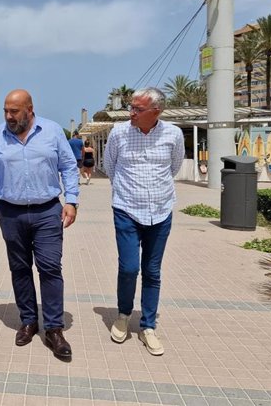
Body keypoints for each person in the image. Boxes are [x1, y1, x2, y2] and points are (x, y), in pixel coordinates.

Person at [0, 89, 79, 359]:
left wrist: (72, 201)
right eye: (6, 111)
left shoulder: (53, 131)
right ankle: (29, 321)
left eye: (14, 111)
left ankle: (54, 328)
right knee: (19, 268)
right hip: (10, 212)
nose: (9, 116)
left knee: (50, 267)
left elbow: (68, 167)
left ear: (30, 109)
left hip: (47, 211)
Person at [103, 87, 184, 356]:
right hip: (126, 209)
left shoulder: (173, 133)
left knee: (152, 271)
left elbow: (174, 166)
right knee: (128, 267)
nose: (132, 113)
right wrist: (127, 191)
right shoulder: (119, 132)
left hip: (161, 212)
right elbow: (110, 166)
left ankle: (148, 325)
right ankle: (124, 314)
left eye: (138, 109)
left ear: (156, 112)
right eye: (132, 107)